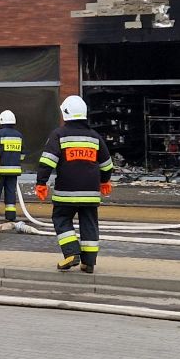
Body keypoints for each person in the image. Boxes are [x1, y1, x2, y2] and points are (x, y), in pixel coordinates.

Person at [33, 94, 113, 274]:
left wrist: (41, 182)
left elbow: (47, 161)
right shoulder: (95, 137)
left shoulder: (59, 134)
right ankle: (89, 263)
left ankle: (71, 253)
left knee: (61, 219)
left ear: (66, 113)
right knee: (89, 224)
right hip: (90, 194)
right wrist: (104, 180)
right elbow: (107, 164)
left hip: (66, 192)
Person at [0, 109, 23, 223]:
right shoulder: (19, 135)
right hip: (14, 170)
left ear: (1, 121)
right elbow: (22, 154)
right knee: (10, 192)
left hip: (0, 170)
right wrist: (15, 161)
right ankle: (10, 215)